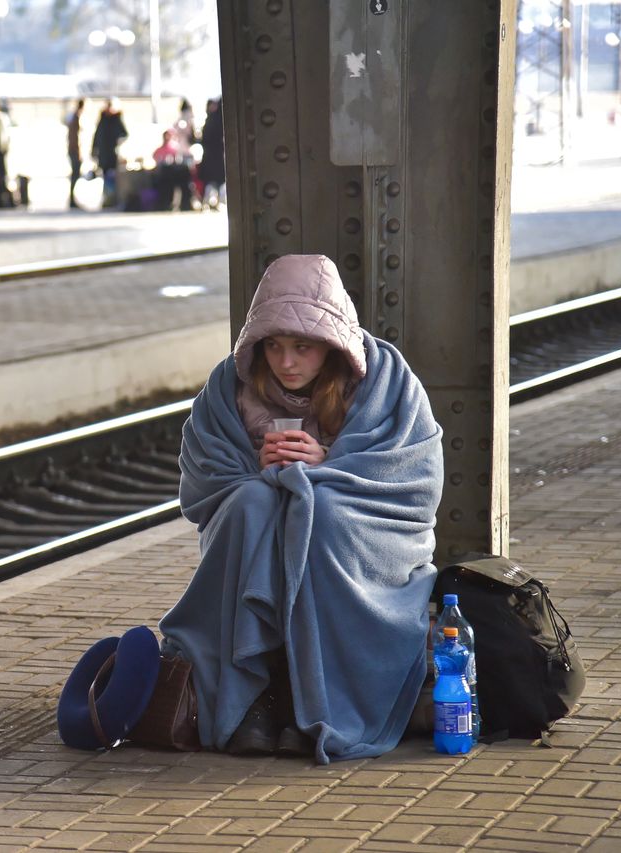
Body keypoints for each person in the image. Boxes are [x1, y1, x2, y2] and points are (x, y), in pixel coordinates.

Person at [159, 254, 443, 763]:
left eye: (302, 348)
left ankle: (313, 697)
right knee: (251, 502)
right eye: (273, 346)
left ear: (332, 347)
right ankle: (256, 693)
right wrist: (255, 470)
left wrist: (328, 465)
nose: (285, 363)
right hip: (260, 534)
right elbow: (206, 480)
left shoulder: (386, 384)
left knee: (325, 511)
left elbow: (410, 477)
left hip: (357, 531)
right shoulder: (229, 390)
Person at [91, 98, 128, 209]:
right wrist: (94, 150)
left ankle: (113, 199)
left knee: (112, 176)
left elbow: (124, 133)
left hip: (112, 153)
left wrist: (117, 141)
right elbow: (97, 136)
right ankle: (107, 198)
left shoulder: (116, 119)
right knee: (105, 176)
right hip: (103, 153)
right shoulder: (102, 119)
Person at [150, 129, 194, 211]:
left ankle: (183, 204)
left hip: (173, 174)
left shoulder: (175, 149)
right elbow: (156, 161)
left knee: (181, 182)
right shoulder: (159, 150)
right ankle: (166, 204)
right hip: (164, 175)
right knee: (166, 185)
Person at [198, 97, 225, 209]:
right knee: (219, 181)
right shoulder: (220, 119)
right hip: (218, 155)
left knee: (211, 181)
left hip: (209, 155)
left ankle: (207, 202)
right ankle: (218, 202)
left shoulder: (210, 119)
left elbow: (204, 139)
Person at [67, 98, 85, 210]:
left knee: (75, 175)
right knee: (75, 175)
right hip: (74, 151)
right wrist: (78, 151)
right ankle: (72, 199)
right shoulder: (76, 117)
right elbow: (75, 137)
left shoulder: (75, 117)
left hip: (74, 150)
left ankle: (73, 199)